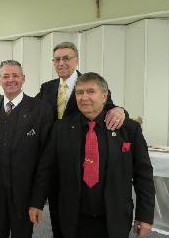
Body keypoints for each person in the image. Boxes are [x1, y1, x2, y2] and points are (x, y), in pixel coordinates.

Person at [29, 72, 155, 238]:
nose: (84, 97)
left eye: (90, 91)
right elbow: (46, 168)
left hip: (114, 217)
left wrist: (145, 215)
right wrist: (37, 203)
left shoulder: (129, 129)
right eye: (79, 92)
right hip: (73, 217)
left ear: (104, 96)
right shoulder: (61, 129)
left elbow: (143, 175)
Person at [35, 41, 126, 238]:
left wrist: (121, 110)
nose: (61, 63)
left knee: (79, 214)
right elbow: (31, 108)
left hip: (79, 161)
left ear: (76, 60)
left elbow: (109, 106)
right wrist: (3, 99)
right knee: (59, 215)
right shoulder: (47, 88)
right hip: (53, 160)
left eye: (66, 58)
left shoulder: (88, 84)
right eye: (57, 59)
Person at [0, 60, 53, 238]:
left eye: (15, 75)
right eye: (6, 76)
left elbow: (46, 159)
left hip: (25, 194)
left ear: (23, 78)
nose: (11, 80)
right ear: (0, 80)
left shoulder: (41, 110)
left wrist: (38, 201)